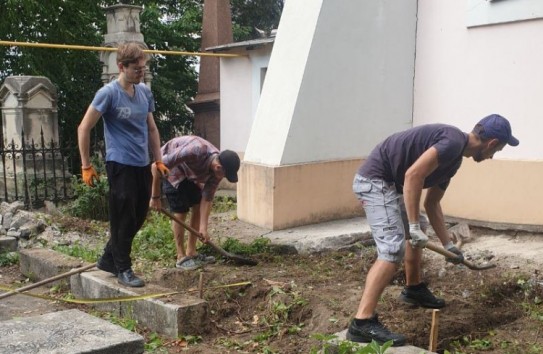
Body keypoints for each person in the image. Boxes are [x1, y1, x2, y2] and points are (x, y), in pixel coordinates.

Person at [347, 114, 519, 346]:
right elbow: (412, 176)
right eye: (496, 152)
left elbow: (432, 203)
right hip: (375, 182)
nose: (492, 157)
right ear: (492, 143)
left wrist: (448, 244)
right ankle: (362, 322)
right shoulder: (452, 142)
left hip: (390, 185)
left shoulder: (454, 160)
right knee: (391, 249)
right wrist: (413, 226)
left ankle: (414, 289)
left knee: (419, 225)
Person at [77, 42, 169, 288]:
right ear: (121, 67)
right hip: (119, 163)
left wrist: (158, 158)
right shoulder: (108, 94)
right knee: (122, 216)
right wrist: (86, 165)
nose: (141, 72)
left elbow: (151, 128)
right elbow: (84, 127)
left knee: (139, 215)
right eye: (137, 69)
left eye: (143, 68)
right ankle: (122, 267)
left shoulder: (144, 93)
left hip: (142, 163)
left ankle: (109, 257)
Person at [149, 135, 241, 270]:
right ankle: (180, 257)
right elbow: (156, 166)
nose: (224, 178)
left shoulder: (217, 172)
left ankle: (191, 252)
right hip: (171, 168)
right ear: (218, 167)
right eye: (225, 175)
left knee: (198, 204)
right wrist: (155, 197)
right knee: (181, 210)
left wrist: (203, 228)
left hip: (189, 172)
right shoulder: (196, 150)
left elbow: (207, 199)